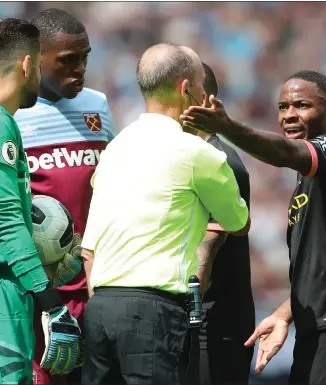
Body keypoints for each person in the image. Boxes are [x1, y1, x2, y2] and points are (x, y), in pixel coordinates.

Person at [181, 70, 326, 385]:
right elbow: (324, 267)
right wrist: (285, 312)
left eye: (301, 105)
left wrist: (226, 126)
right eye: (283, 106)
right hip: (315, 330)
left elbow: (283, 153)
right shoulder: (311, 181)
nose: (289, 115)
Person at [80, 43, 251, 385]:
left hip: (99, 309)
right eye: (202, 86)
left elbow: (89, 250)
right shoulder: (199, 153)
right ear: (187, 89)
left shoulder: (114, 150)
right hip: (154, 310)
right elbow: (238, 222)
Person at [0, 18, 83, 385]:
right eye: (39, 66)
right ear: (26, 65)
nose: (40, 76)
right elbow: (5, 220)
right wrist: (51, 301)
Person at [14, 8, 115, 385]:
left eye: (85, 58)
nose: (80, 69)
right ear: (34, 60)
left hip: (98, 284)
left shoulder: (98, 106)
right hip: (42, 293)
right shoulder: (10, 117)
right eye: (67, 61)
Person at [197, 62, 255, 385]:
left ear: (202, 99)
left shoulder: (223, 161)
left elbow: (212, 244)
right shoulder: (190, 157)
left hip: (216, 325)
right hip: (200, 320)